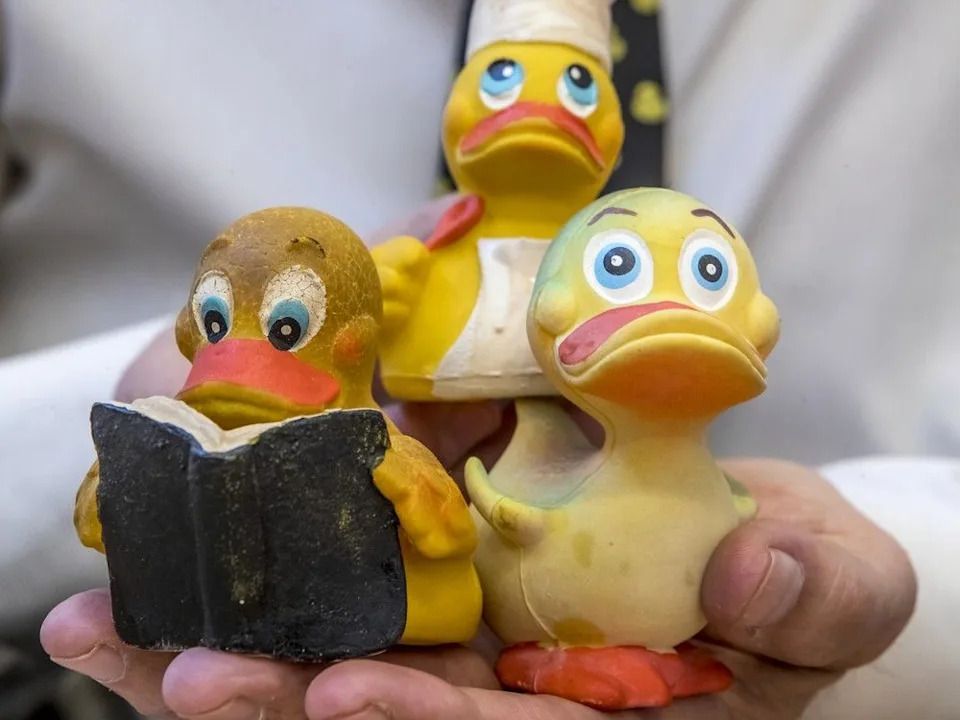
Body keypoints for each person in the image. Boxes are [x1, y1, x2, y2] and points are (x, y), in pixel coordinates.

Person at [2, 1, 957, 718]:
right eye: (504, 81)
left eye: (574, 87)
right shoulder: (417, 277)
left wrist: (907, 563)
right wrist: (131, 451)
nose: (538, 109)